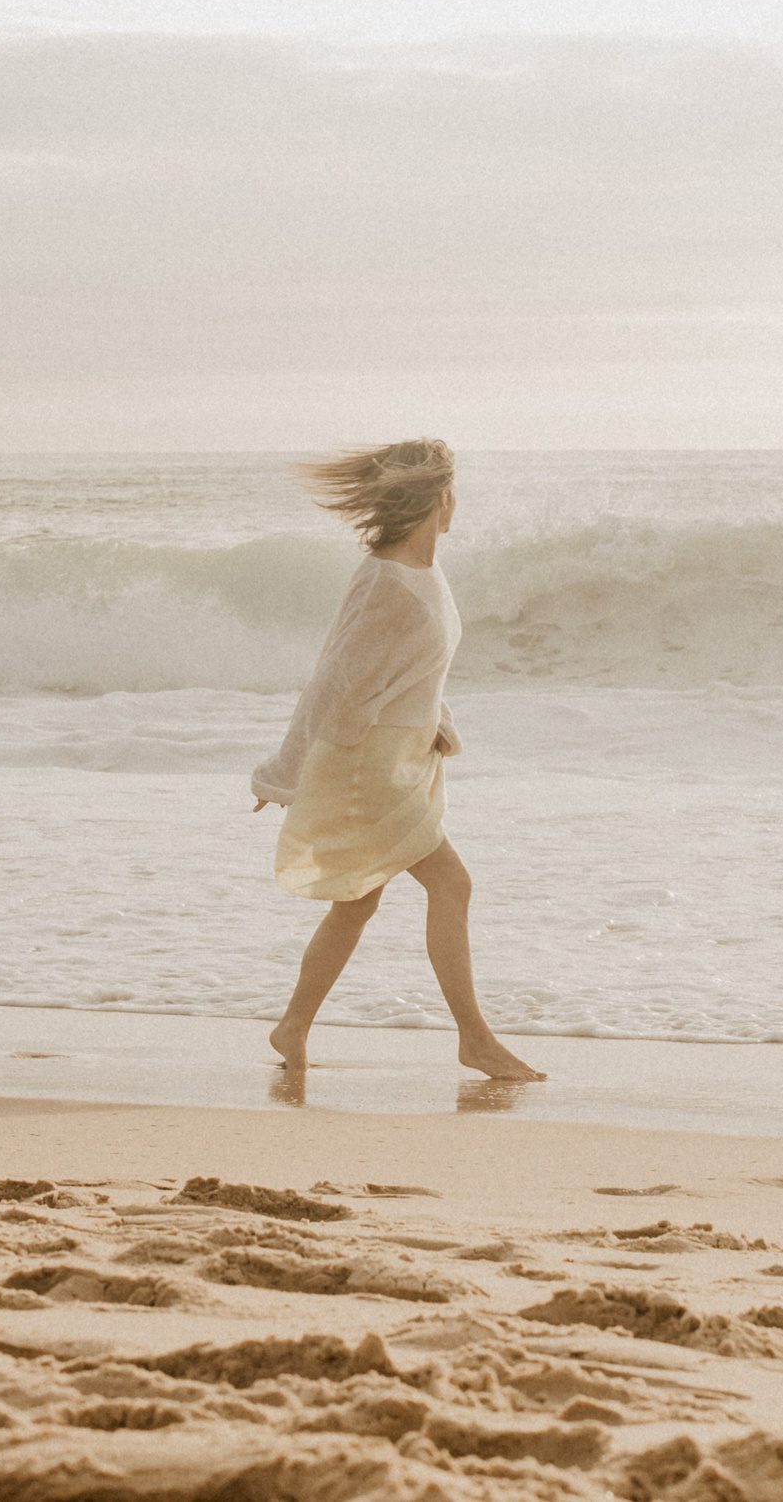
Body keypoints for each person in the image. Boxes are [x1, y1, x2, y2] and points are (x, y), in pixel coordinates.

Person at [251, 439, 545, 1083]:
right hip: (369, 765)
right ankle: (476, 1040)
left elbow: (411, 670)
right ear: (437, 499)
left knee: (358, 902)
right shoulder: (386, 579)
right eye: (452, 491)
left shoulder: (420, 573)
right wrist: (282, 772)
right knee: (452, 884)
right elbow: (334, 681)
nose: (455, 503)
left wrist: (438, 724)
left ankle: (293, 1025)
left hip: (404, 756)